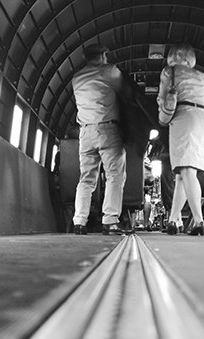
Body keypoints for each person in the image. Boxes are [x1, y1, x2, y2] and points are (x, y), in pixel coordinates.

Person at [71, 44, 132, 235]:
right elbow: (128, 95)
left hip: (85, 132)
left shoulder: (76, 77)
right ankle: (110, 220)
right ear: (104, 55)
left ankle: (79, 221)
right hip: (108, 128)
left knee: (86, 179)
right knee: (114, 175)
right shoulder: (110, 71)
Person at [157, 42, 204, 236]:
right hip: (203, 120)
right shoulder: (202, 76)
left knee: (188, 171)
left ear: (172, 56)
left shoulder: (169, 71)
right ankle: (173, 220)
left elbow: (162, 98)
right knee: (183, 174)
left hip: (183, 117)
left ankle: (198, 221)